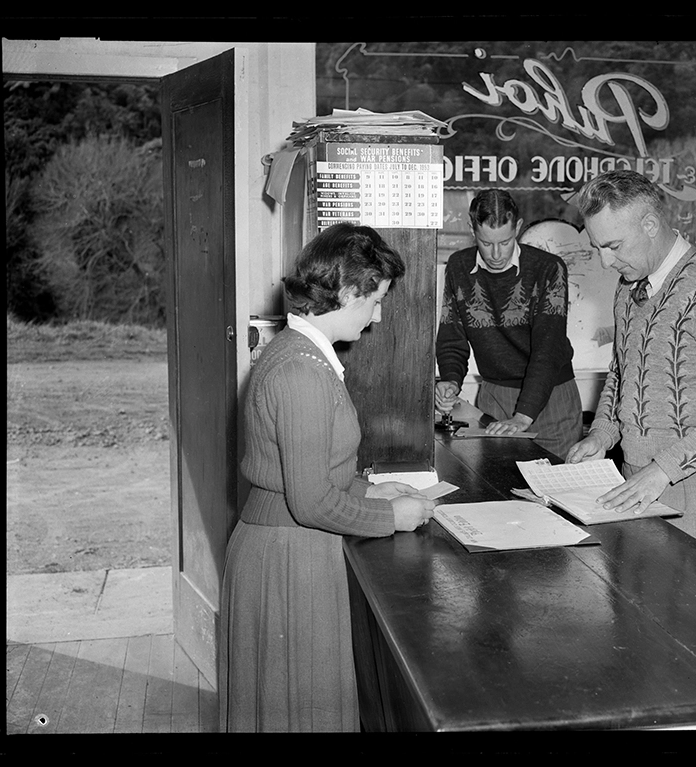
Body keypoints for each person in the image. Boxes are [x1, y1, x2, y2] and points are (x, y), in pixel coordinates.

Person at [217, 222, 437, 732]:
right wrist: (391, 516)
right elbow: (312, 500)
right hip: (290, 560)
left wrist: (368, 488)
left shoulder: (305, 354)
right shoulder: (302, 371)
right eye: (376, 301)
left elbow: (313, 468)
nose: (379, 316)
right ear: (346, 293)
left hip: (292, 550)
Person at [567, 170, 696, 554]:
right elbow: (623, 373)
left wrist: (662, 471)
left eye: (614, 245)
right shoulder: (627, 289)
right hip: (637, 479)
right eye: (598, 247)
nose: (606, 262)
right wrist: (602, 434)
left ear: (651, 224)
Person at [435, 189, 583, 459]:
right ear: (472, 229)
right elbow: (452, 337)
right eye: (485, 242)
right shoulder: (458, 267)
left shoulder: (548, 268)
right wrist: (450, 380)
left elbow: (547, 350)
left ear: (517, 226)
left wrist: (523, 415)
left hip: (552, 397)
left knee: (555, 493)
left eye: (504, 242)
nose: (495, 254)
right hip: (495, 395)